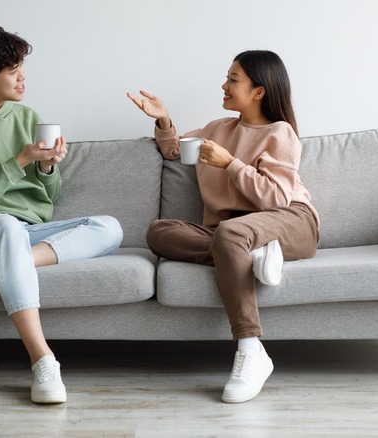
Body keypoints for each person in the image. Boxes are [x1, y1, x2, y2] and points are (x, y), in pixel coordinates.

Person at [0, 26, 123, 404]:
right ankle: (42, 359)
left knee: (109, 228)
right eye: (13, 69)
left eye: (21, 66)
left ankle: (2, 264)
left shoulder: (26, 115)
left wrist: (47, 169)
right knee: (3, 227)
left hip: (21, 229)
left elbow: (49, 198)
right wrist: (20, 160)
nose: (23, 76)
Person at [127, 50, 319, 403]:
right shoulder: (218, 128)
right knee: (159, 231)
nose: (224, 85)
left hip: (290, 220)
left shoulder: (281, 133)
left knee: (232, 234)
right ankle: (249, 254)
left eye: (233, 79)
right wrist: (164, 119)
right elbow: (175, 152)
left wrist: (230, 163)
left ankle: (250, 350)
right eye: (227, 77)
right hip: (238, 231)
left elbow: (275, 197)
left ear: (258, 91)